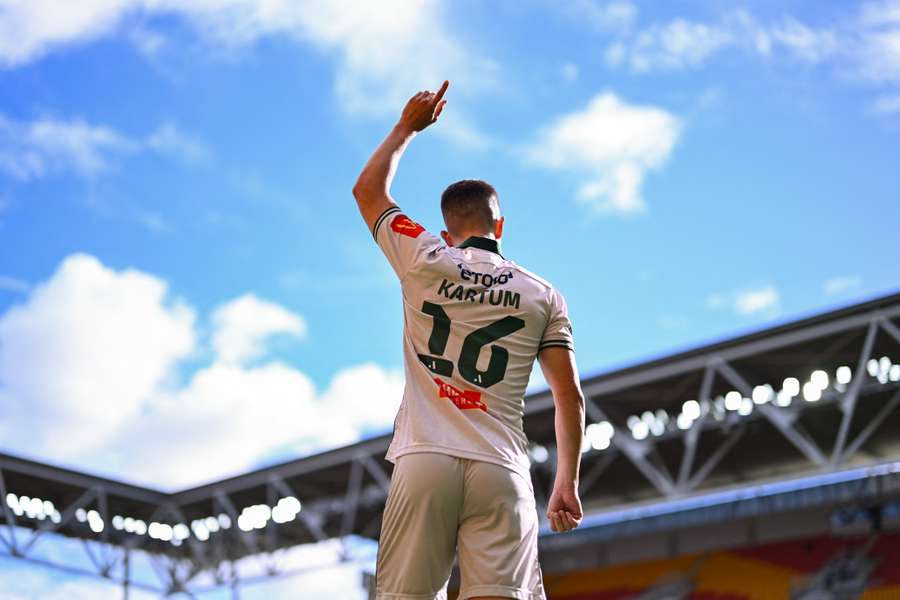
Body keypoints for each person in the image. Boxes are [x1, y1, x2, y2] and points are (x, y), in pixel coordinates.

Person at [352, 80, 586, 600]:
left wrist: (406, 127)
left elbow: (368, 192)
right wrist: (565, 480)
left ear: (448, 227)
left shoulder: (424, 256)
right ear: (499, 224)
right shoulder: (542, 294)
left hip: (425, 458)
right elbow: (568, 396)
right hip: (500, 466)